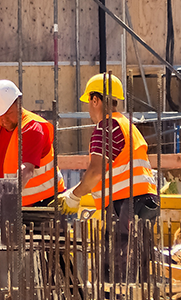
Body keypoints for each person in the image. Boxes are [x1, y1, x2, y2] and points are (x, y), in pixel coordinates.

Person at [56, 73, 159, 283]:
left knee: (118, 272)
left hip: (126, 204)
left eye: (89, 102)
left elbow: (95, 171)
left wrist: (73, 197)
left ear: (96, 100)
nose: (88, 109)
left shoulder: (106, 126)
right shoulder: (127, 125)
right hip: (144, 202)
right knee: (138, 272)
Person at [0, 79, 65, 206]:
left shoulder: (32, 128)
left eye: (8, 114)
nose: (4, 121)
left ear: (19, 103)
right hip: (12, 203)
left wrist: (9, 197)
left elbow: (27, 170)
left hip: (44, 204)